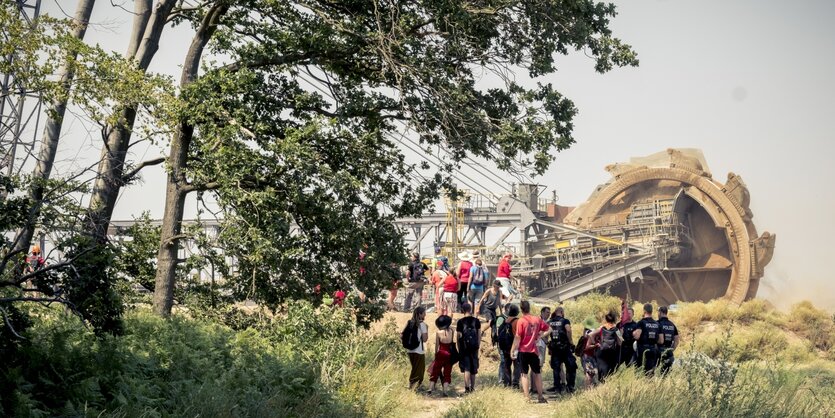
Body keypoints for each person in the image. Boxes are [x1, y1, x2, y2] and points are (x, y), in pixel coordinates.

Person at [510, 300, 550, 404]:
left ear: (521, 309)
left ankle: (527, 397)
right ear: (529, 308)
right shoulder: (537, 319)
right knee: (537, 373)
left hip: (523, 350)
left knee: (524, 374)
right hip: (534, 350)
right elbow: (549, 329)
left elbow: (518, 337)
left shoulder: (521, 321)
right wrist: (540, 336)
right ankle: (540, 396)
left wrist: (513, 349)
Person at [547, 306, 577, 394]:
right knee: (571, 366)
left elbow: (545, 332)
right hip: (565, 347)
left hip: (555, 348)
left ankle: (557, 387)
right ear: (562, 312)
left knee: (556, 368)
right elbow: (568, 330)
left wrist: (547, 343)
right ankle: (570, 387)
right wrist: (571, 341)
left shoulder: (550, 321)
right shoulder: (565, 321)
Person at [588, 312, 622, 382]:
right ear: (614, 319)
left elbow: (591, 334)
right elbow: (620, 342)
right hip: (612, 353)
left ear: (606, 319)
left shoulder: (601, 328)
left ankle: (602, 385)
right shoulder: (616, 329)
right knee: (611, 372)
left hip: (602, 351)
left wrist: (596, 343)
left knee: (602, 371)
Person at [456, 302, 482, 393]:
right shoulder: (476, 321)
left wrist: (459, 348)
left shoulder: (460, 322)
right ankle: (472, 388)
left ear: (462, 310)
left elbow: (458, 336)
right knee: (473, 368)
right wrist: (477, 345)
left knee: (467, 368)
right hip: (474, 347)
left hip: (464, 347)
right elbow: (479, 335)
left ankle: (466, 388)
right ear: (470, 310)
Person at [633, 303, 663, 375]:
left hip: (642, 350)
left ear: (644, 311)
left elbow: (637, 336)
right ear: (652, 311)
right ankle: (649, 385)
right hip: (653, 349)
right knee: (650, 373)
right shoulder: (657, 324)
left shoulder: (641, 323)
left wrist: (633, 333)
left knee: (639, 372)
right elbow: (661, 341)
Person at [429, 315, 455, 396]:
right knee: (447, 372)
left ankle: (430, 388)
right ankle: (445, 391)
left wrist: (435, 354)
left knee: (435, 371)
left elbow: (437, 345)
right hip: (449, 354)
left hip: (441, 353)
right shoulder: (452, 331)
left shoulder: (438, 332)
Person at [498, 303, 521, 388]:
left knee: (507, 365)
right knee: (517, 365)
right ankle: (515, 383)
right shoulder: (517, 321)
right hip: (514, 347)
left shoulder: (505, 321)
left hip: (505, 347)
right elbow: (517, 336)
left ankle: (507, 383)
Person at [406, 306, 429, 390]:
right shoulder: (422, 325)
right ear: (420, 314)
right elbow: (425, 339)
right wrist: (426, 329)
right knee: (419, 370)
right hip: (418, 350)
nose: (425, 315)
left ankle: (412, 386)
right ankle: (413, 387)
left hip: (409, 349)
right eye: (424, 313)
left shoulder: (409, 322)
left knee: (414, 368)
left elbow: (402, 335)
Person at [657, 306, 680, 375]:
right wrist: (671, 349)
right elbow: (677, 340)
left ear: (660, 312)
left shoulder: (657, 323)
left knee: (656, 374)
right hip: (669, 354)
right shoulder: (672, 325)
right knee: (666, 375)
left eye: (658, 312)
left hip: (659, 352)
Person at [577, 318, 598, 388]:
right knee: (589, 373)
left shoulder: (585, 332)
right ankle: (588, 389)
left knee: (588, 372)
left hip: (585, 355)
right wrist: (596, 344)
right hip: (589, 355)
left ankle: (588, 388)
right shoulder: (592, 332)